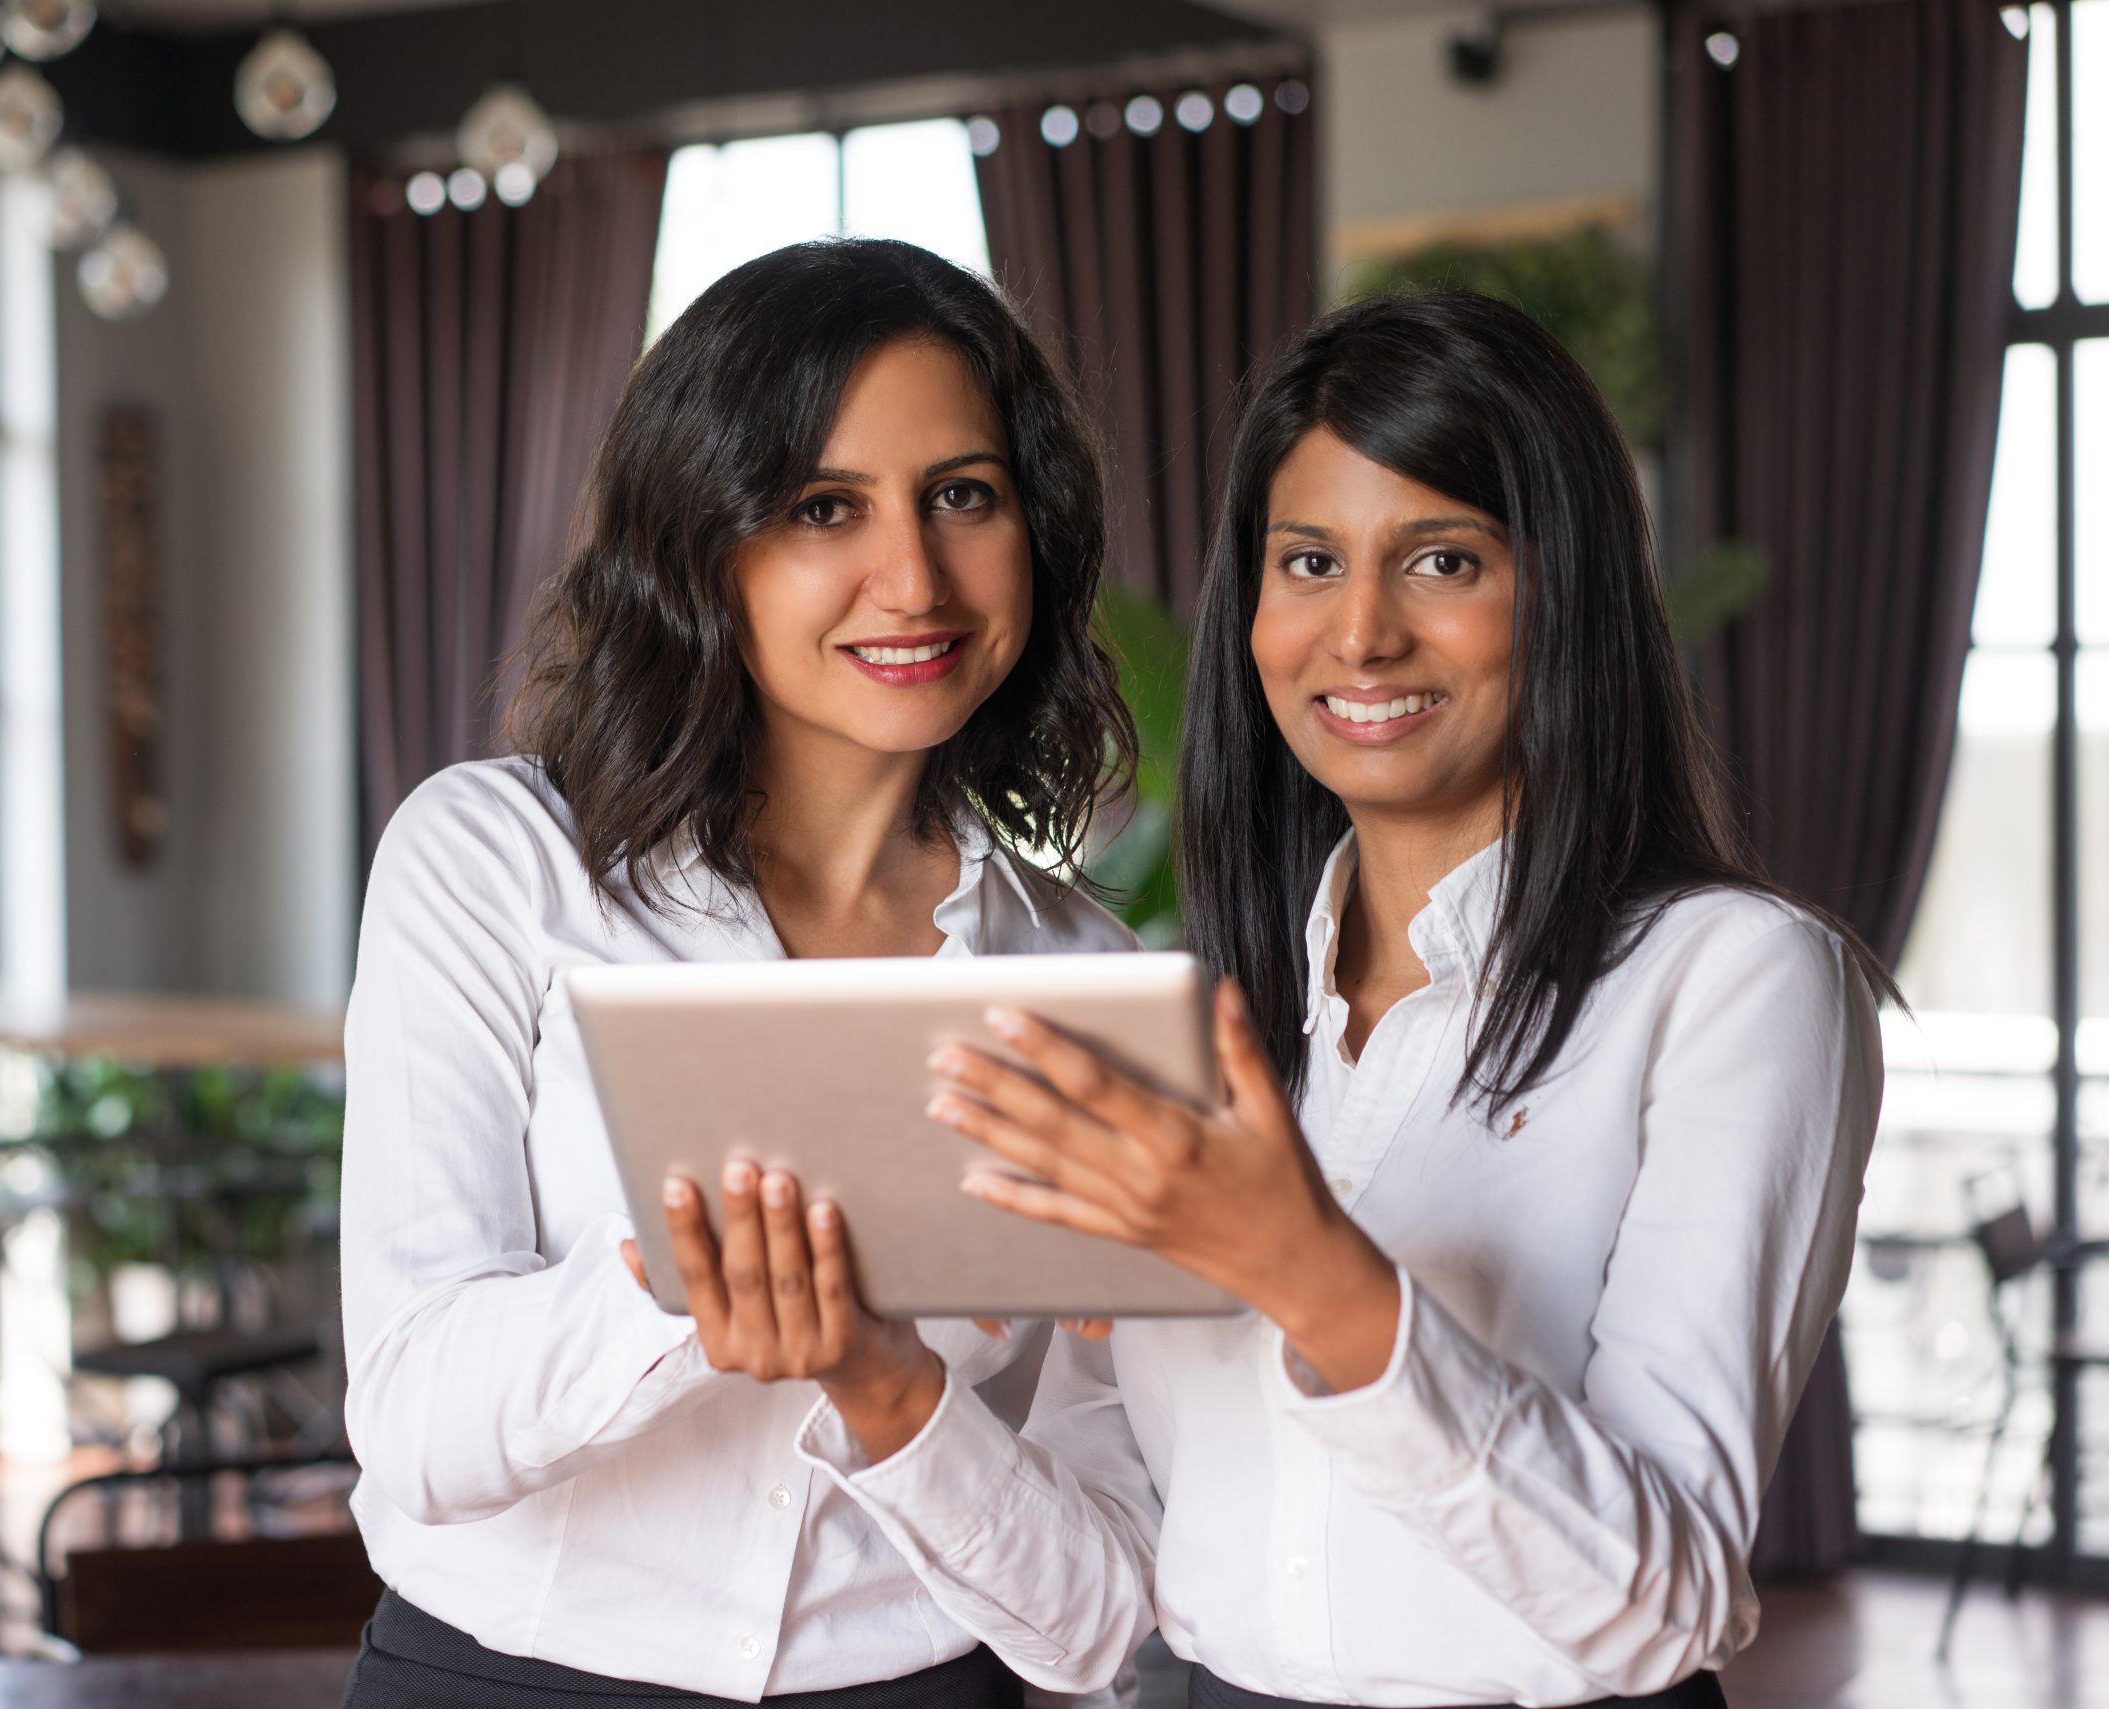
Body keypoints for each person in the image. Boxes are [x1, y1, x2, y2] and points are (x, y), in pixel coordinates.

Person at [665, 290, 1889, 1708]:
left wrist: (1312, 1275)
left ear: (1567, 594)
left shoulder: (1732, 983)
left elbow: (1659, 1604)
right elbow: (1092, 1608)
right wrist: (879, 1382)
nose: (1360, 632)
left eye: (1442, 558)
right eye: (1308, 561)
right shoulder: (1186, 1036)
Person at [336, 237, 1138, 1708]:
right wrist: (687, 1279)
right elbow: (413, 1419)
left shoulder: (1090, 979)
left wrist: (890, 1390)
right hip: (505, 1680)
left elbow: (1095, 1623)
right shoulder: (491, 860)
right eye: (823, 506)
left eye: (964, 494)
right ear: (704, 539)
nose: (913, 576)